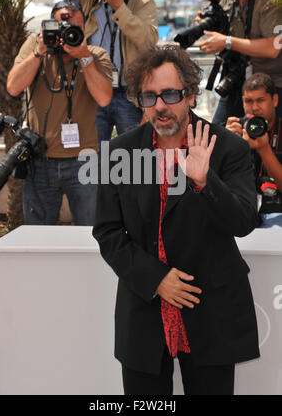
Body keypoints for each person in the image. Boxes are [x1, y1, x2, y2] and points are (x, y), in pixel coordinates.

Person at [92, 44, 260, 395]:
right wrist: (156, 280)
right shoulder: (122, 152)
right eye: (150, 96)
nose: (161, 106)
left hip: (211, 312)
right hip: (144, 314)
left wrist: (204, 181)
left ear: (191, 95)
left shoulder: (228, 148)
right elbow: (108, 232)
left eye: (170, 93)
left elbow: (244, 221)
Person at [6, 0, 113, 226]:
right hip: (40, 159)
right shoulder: (35, 48)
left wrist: (84, 57)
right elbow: (14, 87)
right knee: (39, 234)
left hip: (84, 160)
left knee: (91, 232)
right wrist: (39, 51)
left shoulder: (95, 55)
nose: (66, 34)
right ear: (49, 27)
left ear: (84, 30)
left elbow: (104, 98)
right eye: (60, 26)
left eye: (74, 28)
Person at [52, 0, 158, 145]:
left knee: (133, 155)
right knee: (93, 155)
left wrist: (120, 6)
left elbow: (148, 40)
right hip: (94, 90)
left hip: (128, 94)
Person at [197, 0, 282, 124]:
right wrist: (206, 24)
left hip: (272, 86)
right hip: (237, 82)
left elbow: (273, 47)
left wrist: (227, 42)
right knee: (218, 136)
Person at [226, 72, 282, 228]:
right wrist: (225, 143)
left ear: (275, 100)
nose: (255, 108)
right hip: (243, 211)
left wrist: (264, 149)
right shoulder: (234, 131)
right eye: (249, 101)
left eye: (261, 100)